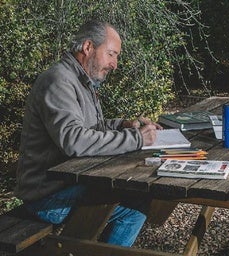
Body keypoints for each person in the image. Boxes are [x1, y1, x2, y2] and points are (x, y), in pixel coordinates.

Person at [15, 20, 163, 247]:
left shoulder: (81, 81)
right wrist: (137, 138)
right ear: (87, 47)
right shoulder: (58, 81)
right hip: (47, 196)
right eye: (111, 54)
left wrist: (124, 125)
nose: (115, 64)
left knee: (131, 192)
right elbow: (75, 141)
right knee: (133, 206)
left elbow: (92, 127)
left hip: (67, 184)